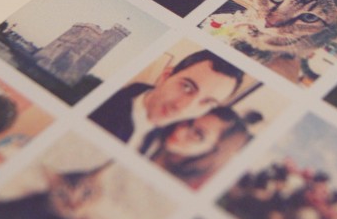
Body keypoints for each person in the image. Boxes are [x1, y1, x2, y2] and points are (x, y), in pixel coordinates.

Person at [89, 49, 244, 153]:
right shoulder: (98, 104)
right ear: (166, 76)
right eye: (187, 87)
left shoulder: (168, 136)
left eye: (208, 102)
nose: (183, 108)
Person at [150, 107, 262, 188]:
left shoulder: (192, 187)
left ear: (213, 152)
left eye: (198, 134)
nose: (179, 131)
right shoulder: (153, 134)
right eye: (188, 122)